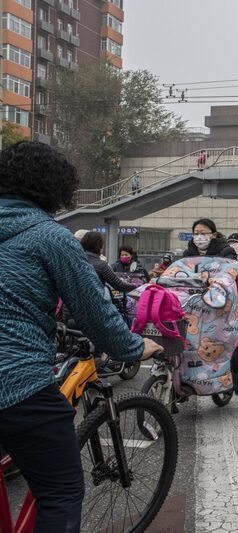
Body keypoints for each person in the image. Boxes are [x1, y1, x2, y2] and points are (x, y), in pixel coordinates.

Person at [0, 141, 161, 532]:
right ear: (56, 189)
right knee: (60, 491)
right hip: (15, 382)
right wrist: (136, 346)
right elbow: (96, 314)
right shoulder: (50, 237)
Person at [183, 218, 238, 410]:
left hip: (221, 309)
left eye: (203, 233)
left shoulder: (226, 251)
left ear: (213, 234)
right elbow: (178, 273)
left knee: (230, 353)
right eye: (196, 233)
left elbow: (230, 272)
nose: (199, 237)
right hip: (194, 308)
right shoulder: (187, 253)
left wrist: (217, 281)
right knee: (181, 349)